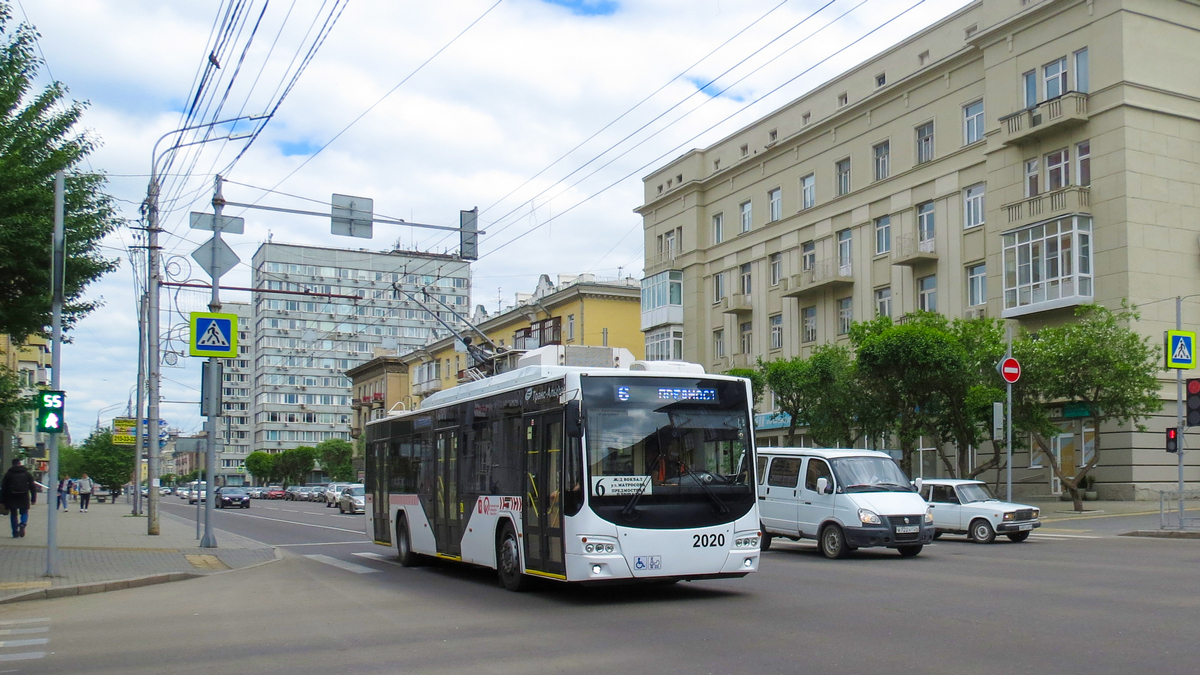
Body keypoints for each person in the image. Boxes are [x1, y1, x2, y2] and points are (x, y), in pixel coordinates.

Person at [1, 459, 39, 538]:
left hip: (11, 496)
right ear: (20, 463)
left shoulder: (8, 474)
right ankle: (23, 524)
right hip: (24, 495)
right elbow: (32, 486)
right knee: (24, 512)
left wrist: (2, 500)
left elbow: (3, 488)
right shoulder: (27, 474)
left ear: (12, 464)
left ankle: (15, 532)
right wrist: (33, 499)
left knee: (13, 514)